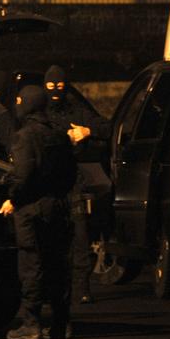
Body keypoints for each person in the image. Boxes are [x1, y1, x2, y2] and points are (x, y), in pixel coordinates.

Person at [0, 85, 77, 339]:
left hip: (32, 209)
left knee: (31, 265)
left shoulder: (25, 136)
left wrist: (13, 198)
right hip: (59, 206)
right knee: (58, 265)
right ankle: (61, 322)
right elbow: (71, 173)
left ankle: (31, 323)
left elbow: (23, 175)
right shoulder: (59, 134)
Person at [43, 64, 113, 304]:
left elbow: (106, 127)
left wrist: (87, 130)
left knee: (79, 233)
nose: (55, 91)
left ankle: (81, 286)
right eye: (50, 86)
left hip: (72, 179)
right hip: (47, 180)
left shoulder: (76, 108)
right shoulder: (40, 111)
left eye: (60, 86)